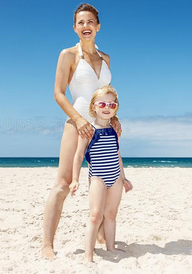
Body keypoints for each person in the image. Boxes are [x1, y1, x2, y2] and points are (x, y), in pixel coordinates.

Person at [43, 3, 123, 259]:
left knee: (106, 180)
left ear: (98, 26)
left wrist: (115, 116)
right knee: (63, 184)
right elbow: (58, 93)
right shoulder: (68, 55)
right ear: (75, 27)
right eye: (81, 23)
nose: (86, 26)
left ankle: (100, 235)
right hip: (77, 124)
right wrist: (78, 120)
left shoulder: (106, 58)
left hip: (104, 127)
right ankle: (47, 244)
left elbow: (105, 95)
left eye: (90, 22)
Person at [69, 85, 132, 262]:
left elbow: (117, 154)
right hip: (98, 177)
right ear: (94, 106)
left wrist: (123, 177)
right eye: (102, 104)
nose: (107, 108)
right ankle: (88, 256)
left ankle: (110, 247)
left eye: (112, 105)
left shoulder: (115, 131)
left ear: (116, 108)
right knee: (95, 215)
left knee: (111, 214)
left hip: (115, 177)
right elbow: (79, 154)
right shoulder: (88, 130)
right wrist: (75, 179)